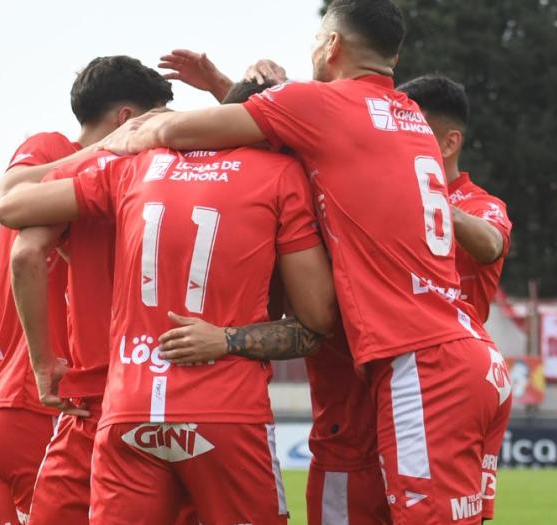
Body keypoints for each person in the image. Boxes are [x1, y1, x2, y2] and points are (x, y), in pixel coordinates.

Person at [97, 1, 513, 522]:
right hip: (466, 354)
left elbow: (190, 134)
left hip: (419, 360)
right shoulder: (407, 118)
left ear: (331, 45)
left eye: (317, 39)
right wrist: (228, 85)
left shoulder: (321, 105)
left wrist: (138, 132)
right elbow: (304, 133)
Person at [0, 94, 337, 522]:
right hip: (225, 412)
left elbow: (9, 208)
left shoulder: (136, 165)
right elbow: (318, 320)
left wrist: (108, 146)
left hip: (127, 408)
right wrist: (228, 339)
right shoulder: (281, 173)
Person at [159, 52, 389, 525]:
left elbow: (15, 207)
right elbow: (265, 143)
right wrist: (228, 89)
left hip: (136, 402)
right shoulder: (297, 180)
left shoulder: (155, 173)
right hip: (354, 413)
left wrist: (141, 131)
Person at [0, 55, 173, 525]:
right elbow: (6, 200)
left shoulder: (72, 175)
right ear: (126, 120)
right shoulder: (54, 152)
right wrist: (108, 150)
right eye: (155, 122)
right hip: (44, 399)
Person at [399, 75, 512, 322]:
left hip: (453, 355)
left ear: (449, 143)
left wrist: (433, 204)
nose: (397, 143)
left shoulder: (478, 204)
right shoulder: (383, 197)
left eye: (413, 132)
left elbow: (492, 245)